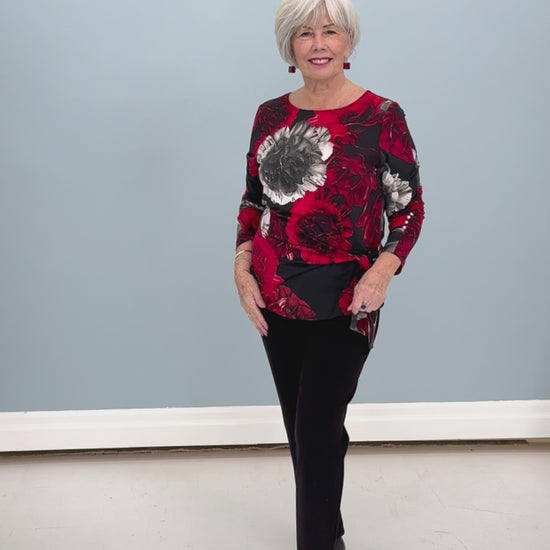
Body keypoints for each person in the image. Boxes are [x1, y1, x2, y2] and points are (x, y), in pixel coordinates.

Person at [234, 1, 424, 548]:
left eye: (330, 31)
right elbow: (253, 201)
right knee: (304, 426)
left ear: (348, 42)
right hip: (275, 292)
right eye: (304, 33)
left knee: (316, 427)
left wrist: (382, 273)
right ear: (289, 47)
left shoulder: (382, 115)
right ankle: (328, 525)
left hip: (349, 296)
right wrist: (241, 268)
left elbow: (408, 210)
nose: (318, 43)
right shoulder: (270, 115)